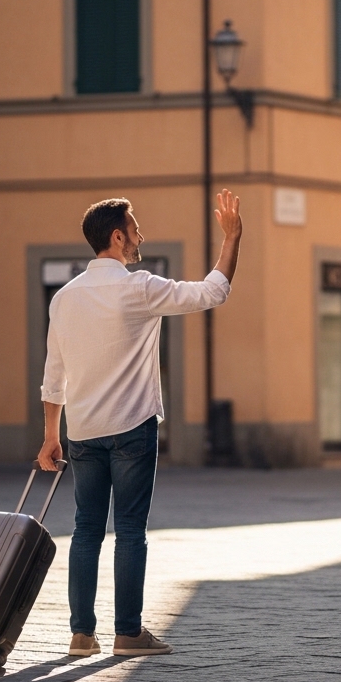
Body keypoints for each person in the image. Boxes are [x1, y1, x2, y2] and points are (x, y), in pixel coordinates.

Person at [38, 190, 242, 657]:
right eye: (135, 229)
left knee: (86, 530)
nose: (140, 236)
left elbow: (54, 374)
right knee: (129, 530)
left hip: (82, 432)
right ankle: (128, 634)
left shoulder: (64, 299)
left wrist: (51, 436)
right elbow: (213, 291)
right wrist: (232, 238)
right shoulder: (140, 288)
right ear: (117, 236)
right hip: (132, 427)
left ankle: (81, 635)